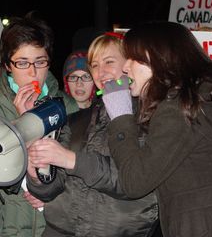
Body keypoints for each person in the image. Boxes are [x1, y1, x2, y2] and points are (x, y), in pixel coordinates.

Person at [102, 21, 212, 237]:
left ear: (159, 59)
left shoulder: (178, 109)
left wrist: (120, 117)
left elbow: (135, 181)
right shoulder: (194, 99)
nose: (125, 67)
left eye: (133, 59)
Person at [26, 32, 159, 237]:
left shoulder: (152, 119)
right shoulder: (78, 120)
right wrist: (39, 173)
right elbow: (51, 190)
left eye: (108, 62)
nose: (100, 72)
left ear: (129, 64)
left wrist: (72, 159)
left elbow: (134, 181)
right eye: (94, 65)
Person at [0, 12, 78, 237]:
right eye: (22, 63)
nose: (32, 72)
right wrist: (26, 124)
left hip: (48, 225)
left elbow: (74, 171)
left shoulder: (68, 106)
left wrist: (50, 191)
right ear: (7, 65)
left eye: (40, 62)